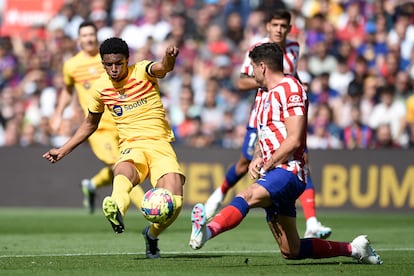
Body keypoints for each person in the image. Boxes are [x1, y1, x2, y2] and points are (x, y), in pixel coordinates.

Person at [189, 42, 383, 265]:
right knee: (291, 250)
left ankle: (207, 231)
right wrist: (257, 157)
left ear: (262, 67)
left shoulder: (291, 88)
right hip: (272, 170)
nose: (251, 73)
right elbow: (265, 132)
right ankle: (354, 249)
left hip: (290, 170)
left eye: (252, 67)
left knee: (247, 196)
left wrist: (269, 161)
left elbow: (294, 139)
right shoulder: (262, 94)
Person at [43, 37, 185, 259]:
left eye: (118, 63)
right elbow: (90, 124)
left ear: (127, 60)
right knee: (122, 170)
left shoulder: (142, 71)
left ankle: (152, 234)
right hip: (131, 145)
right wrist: (63, 149)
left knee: (174, 203)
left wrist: (169, 57)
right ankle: (117, 208)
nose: (114, 69)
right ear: (103, 63)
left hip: (159, 144)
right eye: (108, 64)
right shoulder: (100, 88)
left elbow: (163, 67)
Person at [204, 9, 331, 239]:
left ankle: (311, 221)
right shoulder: (257, 49)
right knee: (245, 161)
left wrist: (295, 86)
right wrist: (269, 81)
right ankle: (218, 194)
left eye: (283, 26)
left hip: (286, 112)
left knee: (300, 158)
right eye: (275, 25)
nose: (279, 30)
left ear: (289, 28)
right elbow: (241, 82)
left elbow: (291, 77)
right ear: (268, 26)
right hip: (262, 116)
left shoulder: (294, 49)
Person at [50, 21, 145, 214]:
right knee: (119, 164)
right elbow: (68, 91)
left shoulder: (108, 61)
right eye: (84, 35)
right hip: (98, 127)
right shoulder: (72, 66)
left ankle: (92, 185)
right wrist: (59, 114)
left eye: (91, 34)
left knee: (126, 165)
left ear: (97, 36)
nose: (89, 38)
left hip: (122, 121)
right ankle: (148, 209)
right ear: (79, 39)